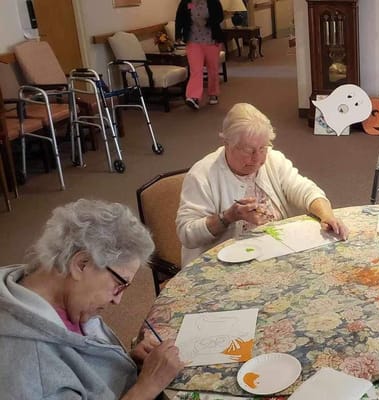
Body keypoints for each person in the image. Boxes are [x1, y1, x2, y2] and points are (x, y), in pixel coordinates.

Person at [0, 199, 185, 399]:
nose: (118, 300)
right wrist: (146, 387)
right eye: (119, 284)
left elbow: (85, 373)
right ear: (82, 263)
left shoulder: (58, 296)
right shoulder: (29, 367)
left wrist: (123, 363)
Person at [177, 103, 349, 266]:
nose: (257, 158)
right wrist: (228, 217)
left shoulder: (274, 159)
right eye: (248, 150)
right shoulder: (202, 175)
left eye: (263, 148)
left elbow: (305, 190)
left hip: (272, 253)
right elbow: (187, 233)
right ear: (227, 144)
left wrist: (327, 215)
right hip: (222, 265)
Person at [176, 0, 225, 110]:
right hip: (193, 41)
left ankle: (213, 93)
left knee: (212, 69)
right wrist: (178, 35)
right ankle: (193, 97)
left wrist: (209, 22)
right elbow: (179, 18)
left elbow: (220, 16)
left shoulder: (213, 2)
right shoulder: (185, 2)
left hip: (211, 40)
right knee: (196, 69)